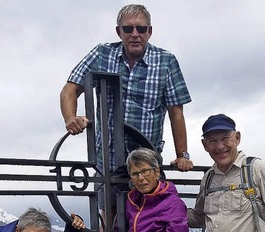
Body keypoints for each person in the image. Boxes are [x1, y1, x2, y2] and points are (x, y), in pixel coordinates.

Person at [60, 4, 193, 172]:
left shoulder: (166, 61)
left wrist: (182, 156)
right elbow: (70, 89)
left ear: (149, 31)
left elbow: (176, 112)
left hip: (146, 161)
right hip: (107, 162)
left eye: (141, 29)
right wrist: (70, 118)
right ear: (119, 32)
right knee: (105, 197)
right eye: (128, 29)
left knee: (148, 198)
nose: (135, 34)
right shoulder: (102, 54)